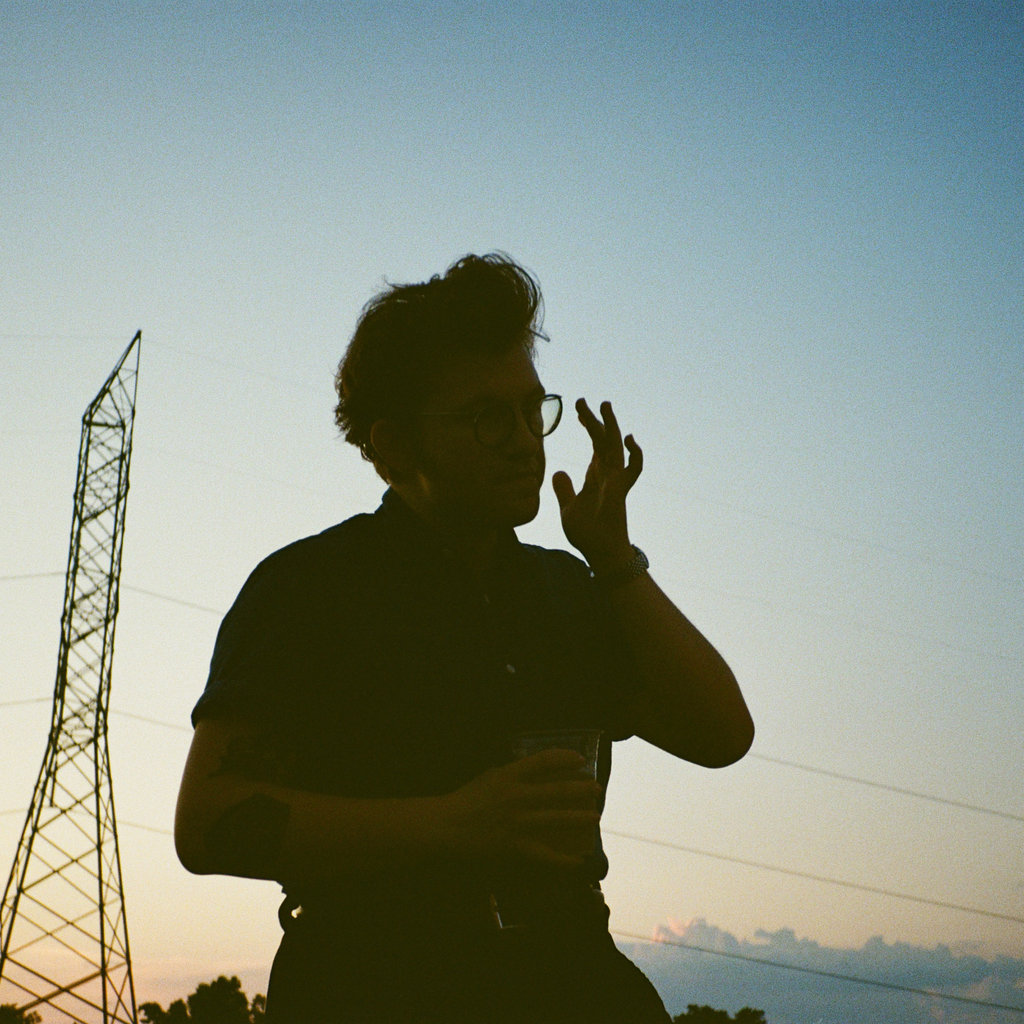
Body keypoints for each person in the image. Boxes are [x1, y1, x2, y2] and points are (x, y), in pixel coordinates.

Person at [174, 253, 754, 1023]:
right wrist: (453, 824)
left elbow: (722, 735)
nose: (524, 441)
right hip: (372, 987)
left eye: (532, 410)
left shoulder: (568, 591)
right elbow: (208, 822)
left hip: (575, 980)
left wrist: (615, 560)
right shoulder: (309, 588)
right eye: (487, 417)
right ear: (393, 448)